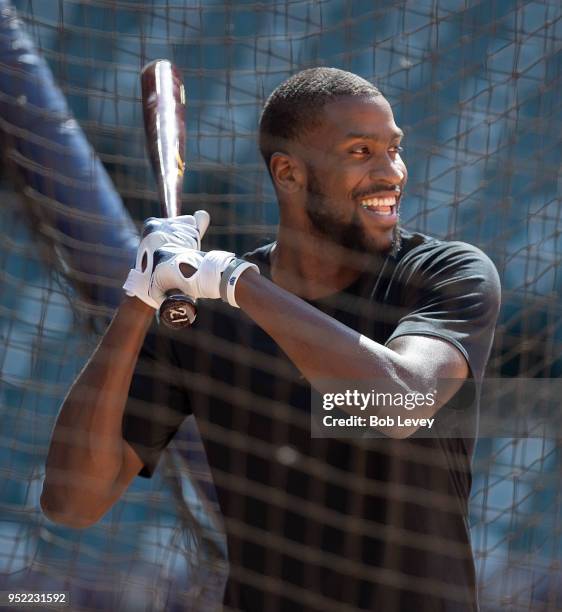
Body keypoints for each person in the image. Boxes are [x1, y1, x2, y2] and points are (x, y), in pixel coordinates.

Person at [41, 67, 501, 611]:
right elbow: (73, 502)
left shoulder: (446, 273)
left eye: (394, 149)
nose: (392, 172)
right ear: (288, 173)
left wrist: (233, 281)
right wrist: (140, 294)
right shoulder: (204, 319)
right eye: (361, 152)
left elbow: (399, 403)